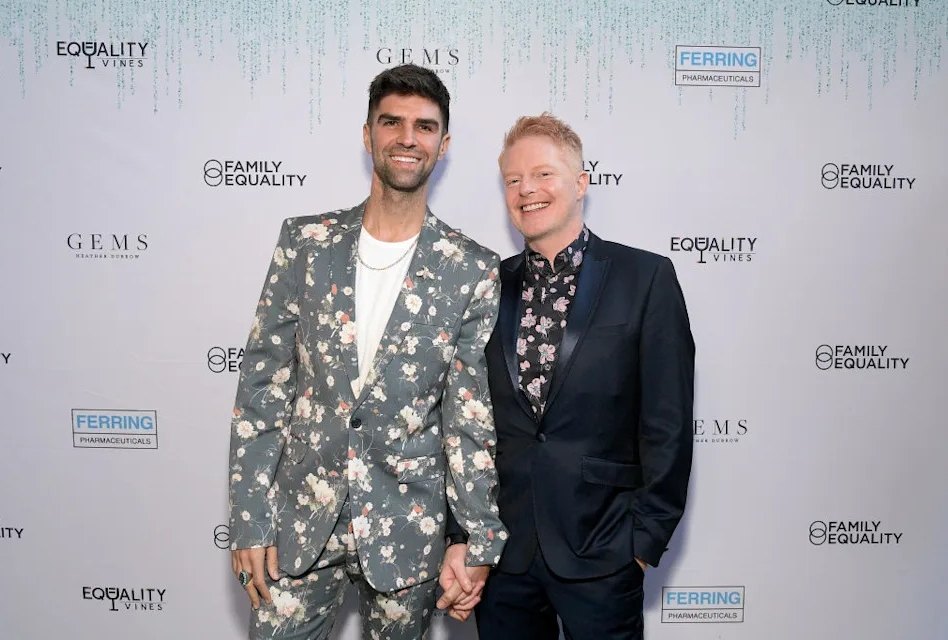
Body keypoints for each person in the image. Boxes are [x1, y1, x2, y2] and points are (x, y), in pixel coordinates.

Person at [227, 64, 507, 640]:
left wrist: (478, 538)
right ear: (367, 134)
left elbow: (468, 419)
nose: (408, 138)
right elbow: (261, 388)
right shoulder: (304, 244)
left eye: (425, 127)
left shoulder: (470, 269)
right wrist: (250, 517)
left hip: (407, 530)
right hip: (300, 520)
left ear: (443, 144)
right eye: (393, 122)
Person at [451, 113, 695, 638]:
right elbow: (464, 422)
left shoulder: (645, 278)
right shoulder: (487, 285)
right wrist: (465, 534)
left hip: (604, 553)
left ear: (581, 183)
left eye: (543, 175)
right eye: (513, 180)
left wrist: (643, 544)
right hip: (503, 558)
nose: (527, 190)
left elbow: (668, 422)